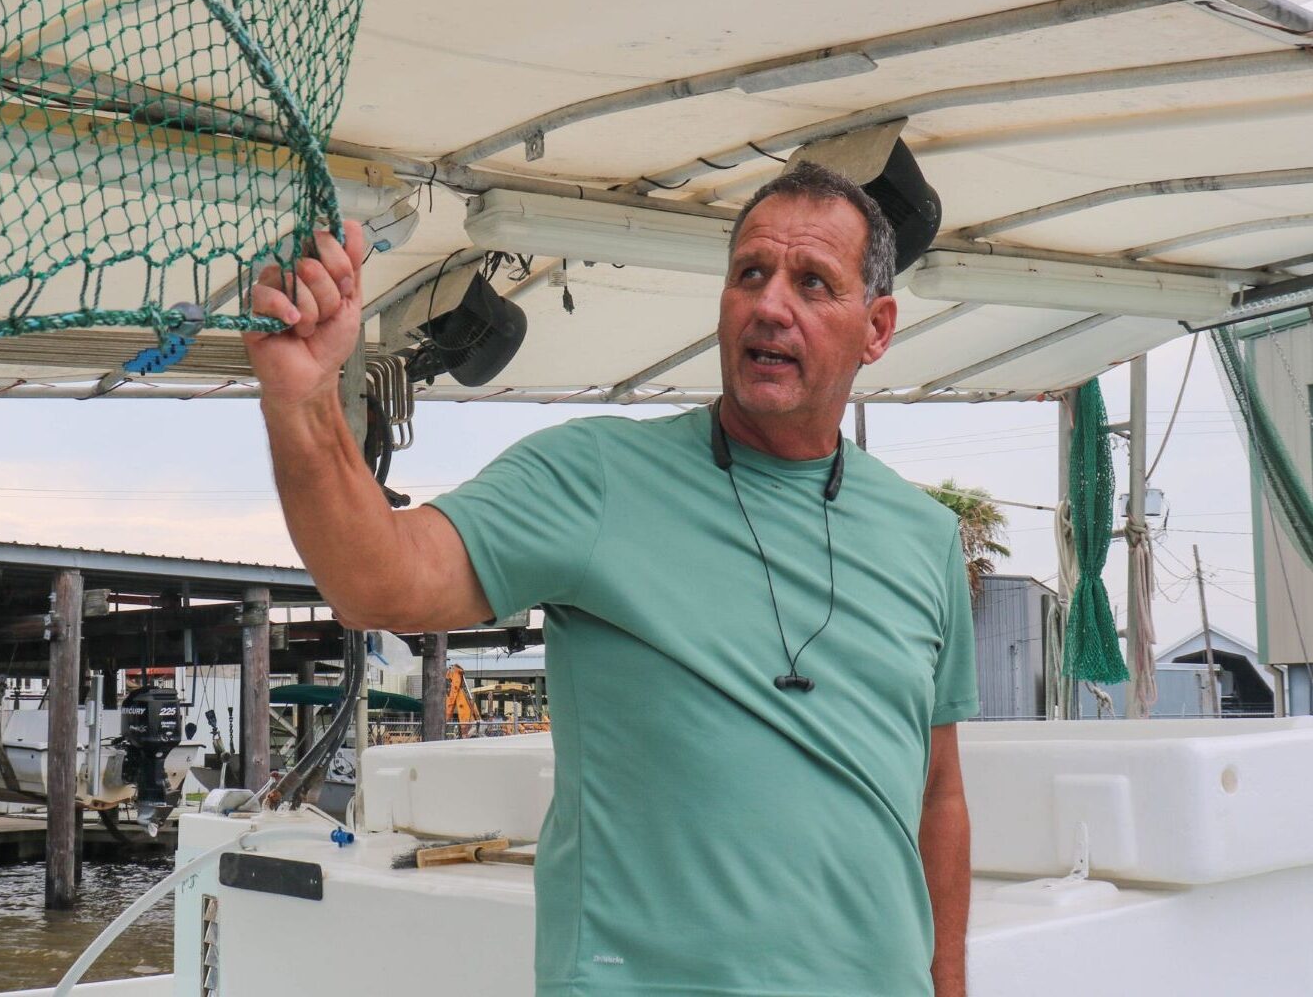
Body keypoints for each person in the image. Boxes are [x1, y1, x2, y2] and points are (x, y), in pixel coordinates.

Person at [244, 162, 977, 997]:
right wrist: (304, 406)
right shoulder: (594, 478)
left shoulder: (926, 536)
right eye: (751, 274)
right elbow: (378, 581)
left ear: (876, 328)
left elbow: (939, 795)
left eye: (813, 283)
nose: (771, 305)